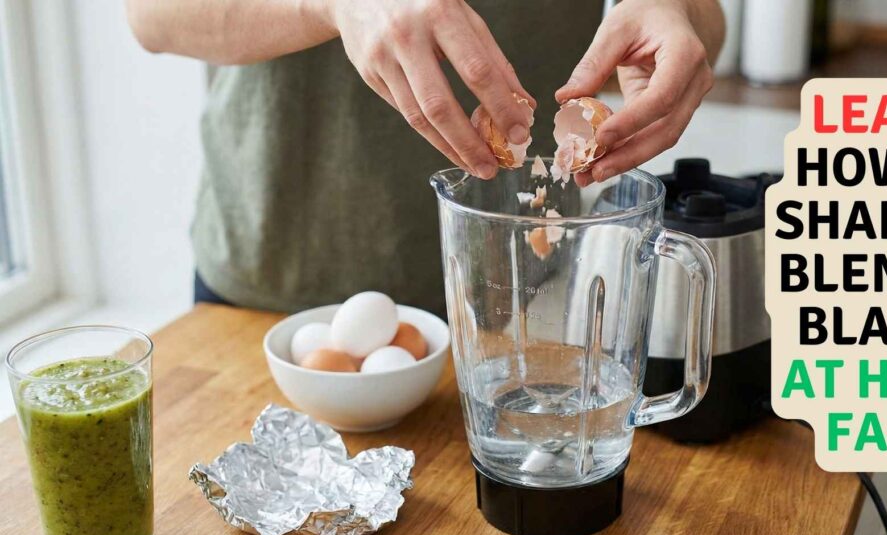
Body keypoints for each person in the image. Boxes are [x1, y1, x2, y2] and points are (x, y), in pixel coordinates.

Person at [126, 0, 724, 315]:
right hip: (272, 283)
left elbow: (702, 20)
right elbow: (151, 13)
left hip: (525, 291)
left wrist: (675, 8)